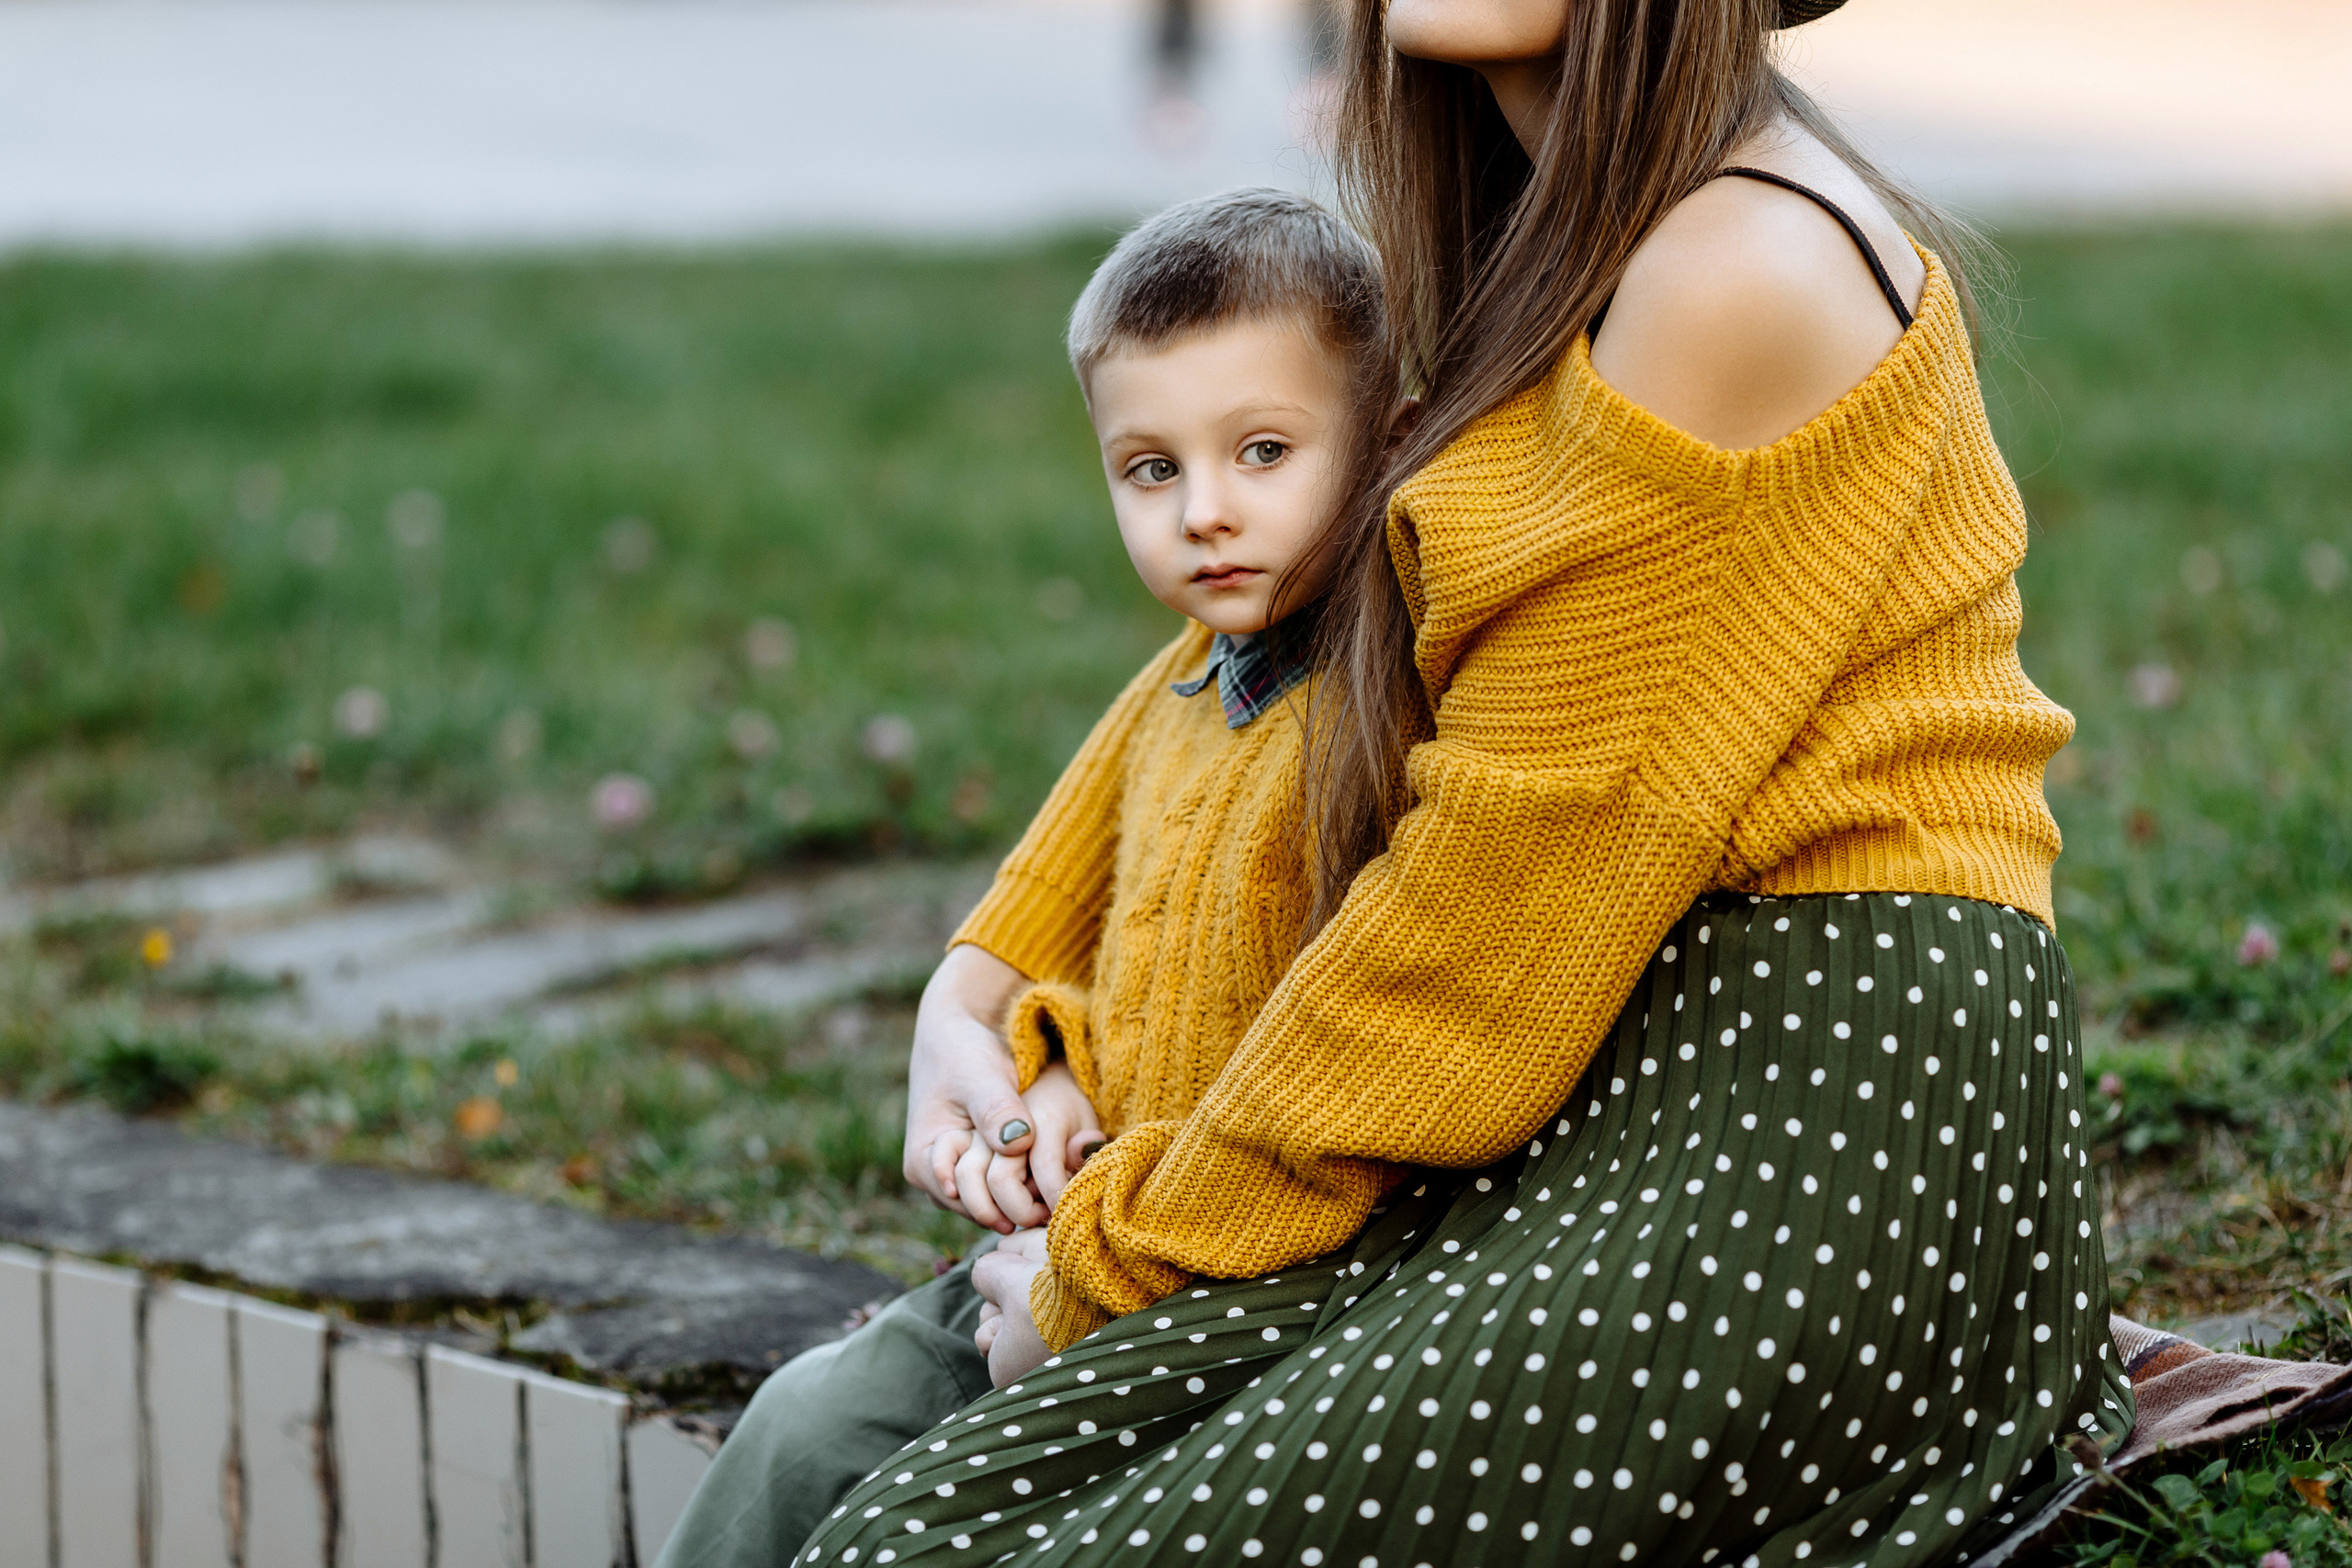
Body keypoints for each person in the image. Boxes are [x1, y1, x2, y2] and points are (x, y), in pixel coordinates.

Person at [796, 0, 2133, 1562]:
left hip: (1808, 1101)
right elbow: (1259, 685)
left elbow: (1484, 935)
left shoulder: (1728, 272)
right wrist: (982, 984)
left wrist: (1116, 1264)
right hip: (1595, 1063)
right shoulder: (1563, 238)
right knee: (896, 1492)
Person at [651, 187, 1398, 1567]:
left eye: (1265, 451)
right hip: (1067, 1230)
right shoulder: (1181, 686)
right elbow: (1017, 936)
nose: (1207, 514)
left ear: (1386, 437)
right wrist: (1035, 1071)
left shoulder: (1379, 709)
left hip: (1239, 1287)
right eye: (1150, 469)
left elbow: (1339, 1049)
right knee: (808, 1429)